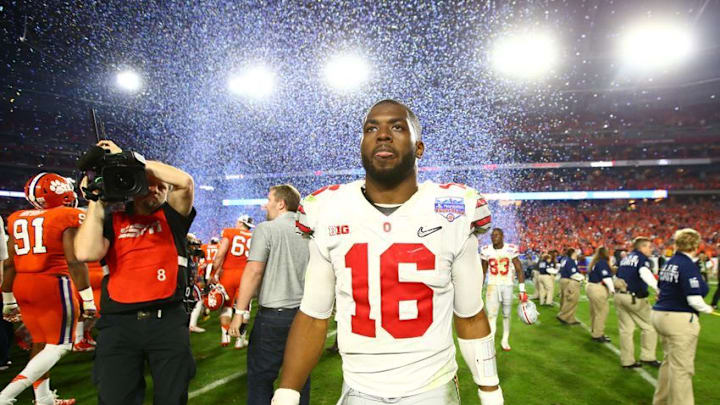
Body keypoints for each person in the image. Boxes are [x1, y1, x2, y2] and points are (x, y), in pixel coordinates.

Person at [264, 99, 502, 405]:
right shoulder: (327, 210)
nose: (383, 134)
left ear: (419, 148)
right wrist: (287, 392)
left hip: (433, 388)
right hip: (359, 389)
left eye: (397, 127)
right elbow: (313, 316)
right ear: (362, 144)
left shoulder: (453, 209)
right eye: (371, 128)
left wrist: (490, 390)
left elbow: (469, 314)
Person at [74, 140, 196, 405]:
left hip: (167, 320)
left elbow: (184, 182)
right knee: (115, 398)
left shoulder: (173, 217)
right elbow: (85, 253)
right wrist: (96, 201)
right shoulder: (112, 219)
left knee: (172, 398)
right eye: (147, 183)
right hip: (118, 324)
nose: (154, 188)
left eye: (160, 186)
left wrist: (129, 159)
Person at [0, 173, 96, 405]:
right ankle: (5, 396)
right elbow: (74, 261)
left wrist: (8, 300)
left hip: (23, 284)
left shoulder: (16, 217)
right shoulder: (66, 215)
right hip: (52, 284)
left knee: (41, 343)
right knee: (61, 345)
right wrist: (88, 299)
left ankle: (43, 399)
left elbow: (9, 263)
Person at [227, 184, 310, 405]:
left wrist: (240, 311)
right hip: (304, 316)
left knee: (261, 380)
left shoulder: (266, 228)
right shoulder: (309, 230)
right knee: (299, 382)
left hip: (274, 317)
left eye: (269, 199)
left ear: (281, 204)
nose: (266, 204)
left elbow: (254, 270)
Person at [652, 228, 713, 405]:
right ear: (695, 245)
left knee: (669, 362)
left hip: (660, 314)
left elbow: (660, 288)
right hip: (678, 318)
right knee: (682, 369)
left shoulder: (669, 262)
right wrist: (706, 308)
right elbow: (694, 298)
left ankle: (661, 401)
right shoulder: (687, 265)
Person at [614, 237, 660, 369]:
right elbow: (645, 273)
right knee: (650, 326)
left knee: (626, 330)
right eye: (649, 246)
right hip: (633, 298)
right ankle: (647, 356)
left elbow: (618, 275)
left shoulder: (626, 258)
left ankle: (627, 361)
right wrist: (658, 289)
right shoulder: (641, 259)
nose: (651, 249)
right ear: (642, 247)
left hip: (620, 296)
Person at [481, 228, 526, 351]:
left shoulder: (510, 249)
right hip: (492, 286)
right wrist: (479, 289)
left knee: (506, 314)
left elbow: (519, 269)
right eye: (492, 235)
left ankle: (505, 339)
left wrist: (522, 290)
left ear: (502, 236)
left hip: (507, 285)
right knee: (491, 315)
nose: (494, 237)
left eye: (497, 235)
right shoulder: (486, 250)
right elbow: (483, 271)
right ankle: (491, 341)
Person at [211, 214, 253, 348]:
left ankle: (225, 336)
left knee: (226, 306)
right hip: (245, 275)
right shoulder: (254, 236)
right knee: (244, 308)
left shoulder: (230, 232)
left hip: (228, 274)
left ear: (240, 222)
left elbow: (220, 255)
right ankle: (240, 340)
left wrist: (213, 273)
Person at [586, 247, 615, 343]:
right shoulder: (602, 262)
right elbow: (606, 277)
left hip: (590, 286)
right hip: (597, 288)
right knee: (602, 312)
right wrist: (612, 289)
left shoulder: (595, 262)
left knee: (594, 311)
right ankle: (598, 334)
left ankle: (594, 331)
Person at [556, 248, 583, 325]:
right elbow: (573, 274)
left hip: (563, 279)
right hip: (568, 280)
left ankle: (565, 315)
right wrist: (582, 278)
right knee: (570, 300)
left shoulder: (566, 260)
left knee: (564, 299)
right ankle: (564, 316)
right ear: (572, 253)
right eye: (575, 253)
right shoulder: (570, 261)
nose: (576, 254)